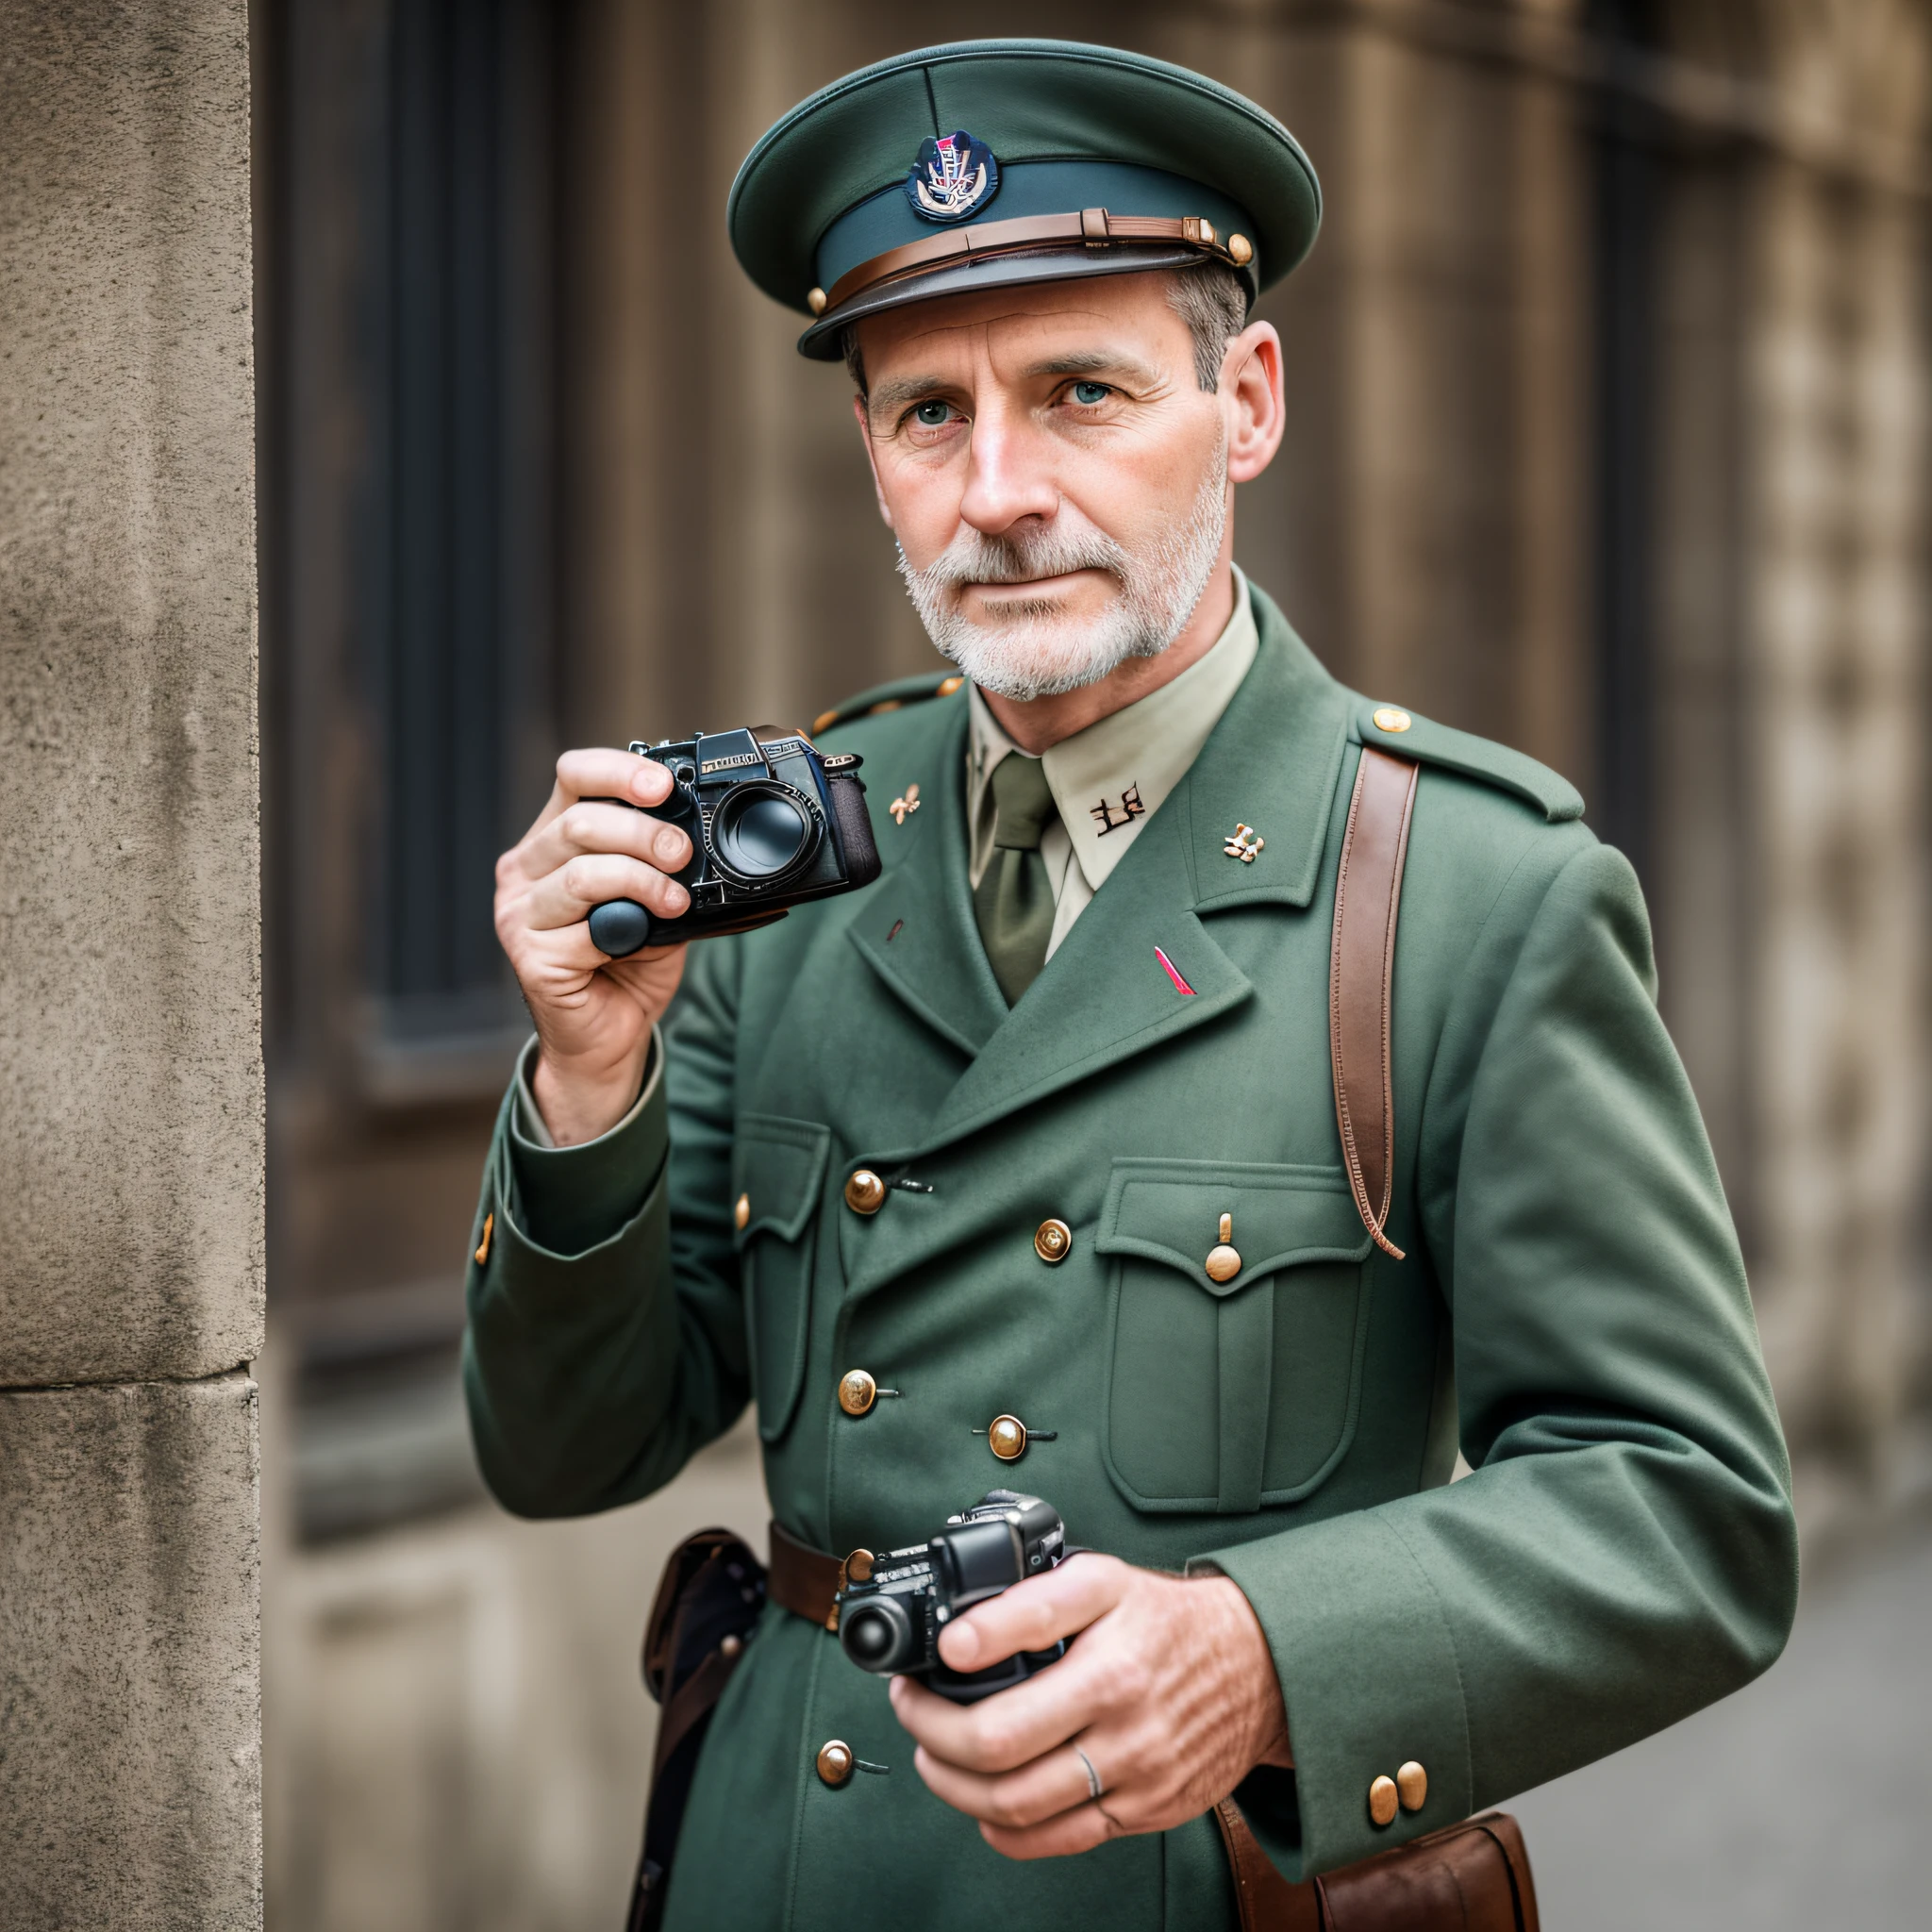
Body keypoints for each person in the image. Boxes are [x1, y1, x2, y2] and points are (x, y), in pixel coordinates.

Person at [465, 38, 1797, 1930]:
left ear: (1244, 399)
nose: (996, 490)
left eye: (1079, 391)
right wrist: (587, 1075)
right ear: (870, 457)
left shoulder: (1469, 893)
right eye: (928, 413)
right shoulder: (788, 870)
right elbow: (561, 1446)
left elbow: (1689, 1515)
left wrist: (1261, 1656)